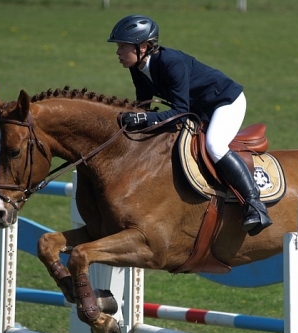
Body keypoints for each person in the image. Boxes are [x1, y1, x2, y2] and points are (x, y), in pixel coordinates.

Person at [108, 14, 272, 236]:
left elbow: (180, 112)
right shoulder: (137, 67)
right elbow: (144, 105)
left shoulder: (170, 63)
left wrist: (144, 119)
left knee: (214, 145)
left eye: (122, 46)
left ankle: (255, 205)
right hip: (200, 109)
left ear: (143, 47)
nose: (118, 52)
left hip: (225, 101)